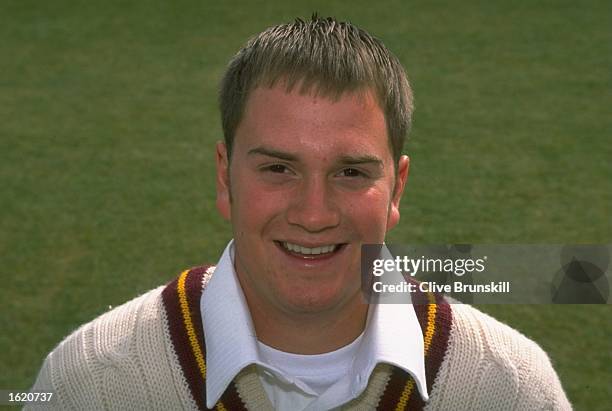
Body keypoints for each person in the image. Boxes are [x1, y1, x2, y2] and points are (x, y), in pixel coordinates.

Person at [29, 16, 571, 410]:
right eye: (278, 169)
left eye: (351, 173)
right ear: (225, 177)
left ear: (396, 188)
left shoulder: (512, 387)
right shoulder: (89, 384)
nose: (314, 215)